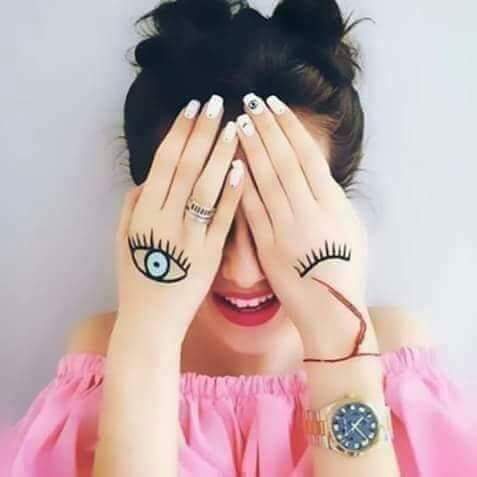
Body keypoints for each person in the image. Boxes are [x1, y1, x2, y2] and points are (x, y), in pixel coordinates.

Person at [1, 0, 477, 475]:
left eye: (279, 217)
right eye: (207, 219)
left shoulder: (398, 365)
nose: (243, 272)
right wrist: (148, 337)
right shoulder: (104, 356)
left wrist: (341, 344)